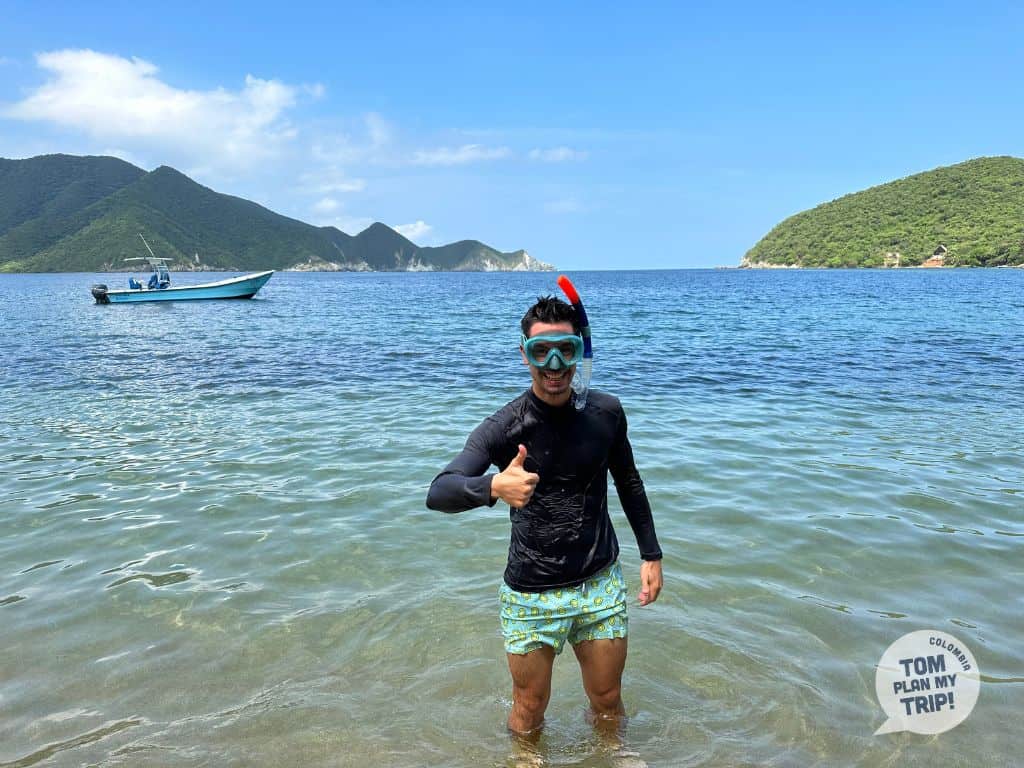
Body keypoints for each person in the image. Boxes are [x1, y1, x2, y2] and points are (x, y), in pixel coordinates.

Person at [426, 294, 663, 739]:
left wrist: (651, 555)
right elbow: (439, 492)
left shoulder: (606, 414)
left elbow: (629, 482)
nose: (554, 365)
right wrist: (492, 487)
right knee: (530, 707)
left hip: (599, 583)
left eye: (565, 350)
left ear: (579, 352)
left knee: (608, 698)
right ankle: (524, 760)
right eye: (541, 352)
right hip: (530, 592)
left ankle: (611, 754)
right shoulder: (504, 427)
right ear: (524, 354)